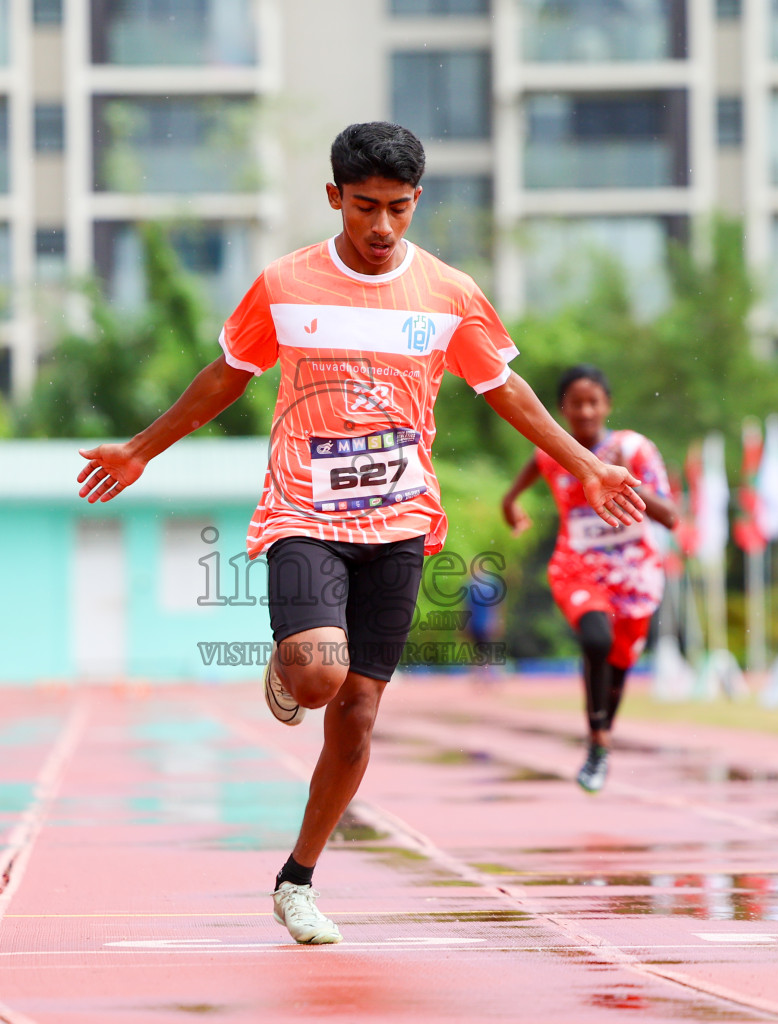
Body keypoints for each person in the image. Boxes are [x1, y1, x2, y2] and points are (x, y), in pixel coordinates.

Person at [77, 122, 645, 944]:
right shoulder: (285, 284)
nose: (382, 229)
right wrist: (140, 448)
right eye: (367, 208)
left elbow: (506, 389)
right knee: (318, 680)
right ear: (336, 196)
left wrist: (584, 465)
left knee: (358, 716)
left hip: (400, 523)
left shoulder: (449, 293)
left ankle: (297, 879)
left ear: (418, 203)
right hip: (303, 512)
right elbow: (225, 378)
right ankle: (291, 664)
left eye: (400, 210)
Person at [500, 365, 678, 792]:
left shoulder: (634, 450)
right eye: (575, 403)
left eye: (593, 402)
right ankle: (598, 737)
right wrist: (510, 506)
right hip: (577, 566)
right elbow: (520, 482)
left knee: (618, 666)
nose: (584, 411)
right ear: (562, 408)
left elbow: (671, 517)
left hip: (635, 572)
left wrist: (622, 481)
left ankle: (601, 742)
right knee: (596, 639)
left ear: (607, 406)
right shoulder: (553, 452)